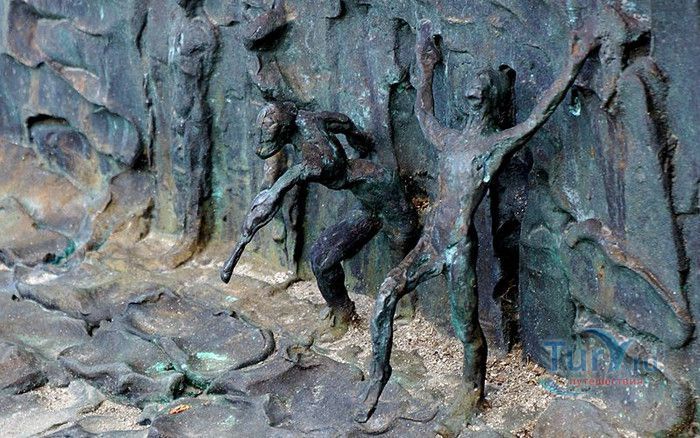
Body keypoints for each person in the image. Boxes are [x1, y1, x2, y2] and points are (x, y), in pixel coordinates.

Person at [354, 19, 599, 433]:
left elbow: (537, 116)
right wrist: (426, 63)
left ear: (490, 99)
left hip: (458, 250)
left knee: (466, 328)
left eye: (484, 86)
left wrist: (574, 62)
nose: (476, 89)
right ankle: (378, 376)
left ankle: (471, 392)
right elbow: (423, 111)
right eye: (473, 84)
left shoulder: (493, 146)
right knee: (385, 294)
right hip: (430, 242)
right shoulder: (448, 139)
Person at [220, 102, 417, 340]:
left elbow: (273, 197)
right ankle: (343, 312)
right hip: (368, 200)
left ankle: (406, 304)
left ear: (285, 131)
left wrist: (245, 236)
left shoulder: (312, 163)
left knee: (400, 245)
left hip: (389, 196)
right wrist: (358, 138)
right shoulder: (308, 119)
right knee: (322, 260)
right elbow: (342, 120)